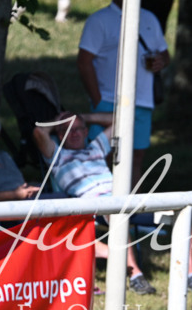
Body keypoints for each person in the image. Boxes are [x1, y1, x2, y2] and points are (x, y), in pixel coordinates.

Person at [34, 112, 157, 295]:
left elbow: (121, 120)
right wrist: (61, 120)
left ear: (86, 132)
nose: (74, 133)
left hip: (121, 198)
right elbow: (38, 132)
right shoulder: (57, 155)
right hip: (96, 205)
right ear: (60, 135)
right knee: (116, 212)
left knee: (179, 212)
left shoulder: (96, 148)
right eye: (67, 130)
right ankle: (135, 275)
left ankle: (190, 275)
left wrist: (84, 117)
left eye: (78, 129)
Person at [77, 0, 169, 189]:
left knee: (137, 155)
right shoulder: (99, 20)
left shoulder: (149, 18)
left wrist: (161, 61)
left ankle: (130, 209)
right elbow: (84, 62)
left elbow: (164, 52)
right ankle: (102, 206)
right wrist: (98, 99)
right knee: (105, 154)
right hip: (109, 99)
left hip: (143, 100)